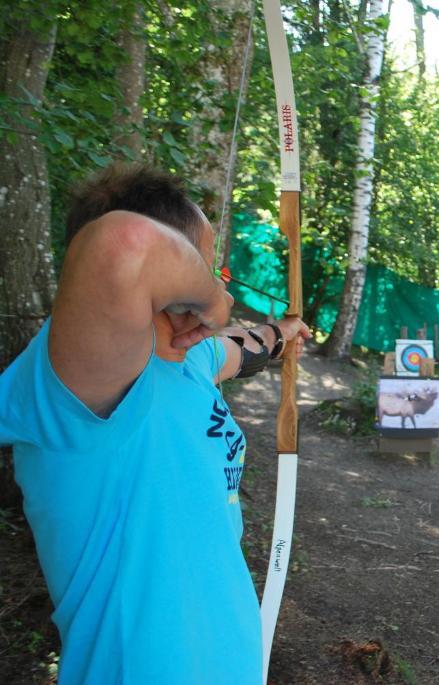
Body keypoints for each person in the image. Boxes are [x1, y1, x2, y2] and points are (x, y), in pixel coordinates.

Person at [0, 164, 309, 683]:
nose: (218, 281)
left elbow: (240, 347)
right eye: (207, 265)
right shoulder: (79, 379)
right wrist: (213, 299)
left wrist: (281, 332)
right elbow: (127, 243)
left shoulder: (188, 359)